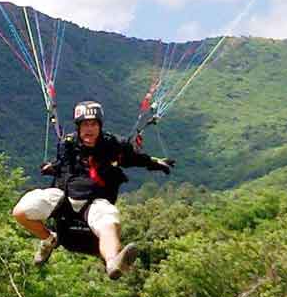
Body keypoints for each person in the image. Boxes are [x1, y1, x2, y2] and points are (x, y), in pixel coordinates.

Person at [11, 100, 175, 279]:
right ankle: (49, 239)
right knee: (21, 211)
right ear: (78, 127)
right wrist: (52, 167)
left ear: (100, 126)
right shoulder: (68, 143)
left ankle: (113, 262)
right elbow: (63, 163)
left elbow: (132, 158)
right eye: (85, 124)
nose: (89, 129)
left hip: (94, 201)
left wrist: (155, 163)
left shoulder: (113, 145)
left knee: (109, 222)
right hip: (63, 196)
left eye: (93, 124)